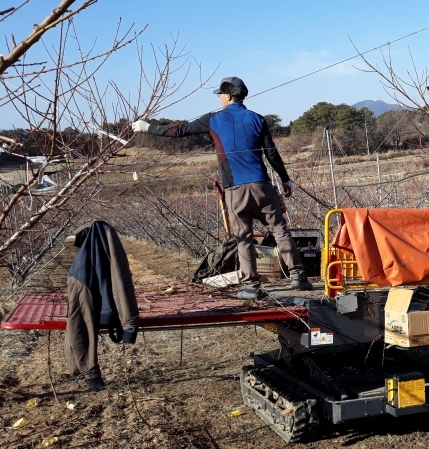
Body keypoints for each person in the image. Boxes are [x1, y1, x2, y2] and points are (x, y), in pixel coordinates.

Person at [131, 76, 312, 298]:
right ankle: (298, 277)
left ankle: (251, 287)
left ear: (227, 96)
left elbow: (179, 130)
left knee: (244, 238)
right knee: (279, 230)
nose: (219, 98)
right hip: (262, 186)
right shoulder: (258, 119)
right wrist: (285, 179)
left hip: (235, 189)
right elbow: (271, 152)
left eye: (219, 94)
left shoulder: (213, 119)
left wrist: (146, 127)